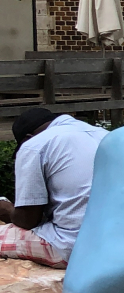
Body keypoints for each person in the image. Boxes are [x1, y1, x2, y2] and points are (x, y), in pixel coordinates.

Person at [0, 107, 108, 268]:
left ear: (27, 138)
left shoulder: (34, 145)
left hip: (76, 247)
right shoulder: (105, 134)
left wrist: (7, 210)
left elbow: (27, 221)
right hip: (121, 242)